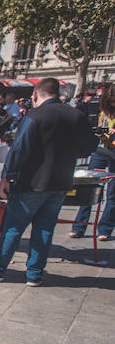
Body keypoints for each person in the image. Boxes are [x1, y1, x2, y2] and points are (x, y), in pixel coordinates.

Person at [0, 78, 99, 286]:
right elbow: (90, 144)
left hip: (31, 182)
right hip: (61, 181)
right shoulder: (76, 115)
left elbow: (19, 148)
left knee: (13, 227)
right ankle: (35, 273)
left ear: (36, 95)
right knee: (45, 228)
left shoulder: (35, 115)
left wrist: (7, 176)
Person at [70, 83, 115, 240]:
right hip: (100, 149)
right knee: (87, 187)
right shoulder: (100, 109)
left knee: (112, 193)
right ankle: (79, 226)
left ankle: (105, 229)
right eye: (110, 101)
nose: (113, 104)